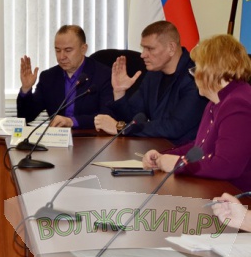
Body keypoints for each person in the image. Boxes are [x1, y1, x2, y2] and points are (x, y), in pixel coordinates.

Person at [141, 34, 251, 190]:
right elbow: (199, 146)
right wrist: (162, 156)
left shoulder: (238, 104)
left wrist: (178, 164)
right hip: (215, 189)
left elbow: (226, 166)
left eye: (196, 69)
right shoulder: (216, 101)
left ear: (211, 70)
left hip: (237, 196)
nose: (193, 75)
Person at [94, 21, 206, 145]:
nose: (142, 55)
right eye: (143, 48)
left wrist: (122, 128)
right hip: (153, 148)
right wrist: (119, 92)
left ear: (171, 48)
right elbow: (133, 116)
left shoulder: (194, 76)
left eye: (150, 49)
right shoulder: (154, 74)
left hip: (183, 152)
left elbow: (174, 127)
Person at [16, 25, 112, 129]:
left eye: (68, 50)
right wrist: (26, 89)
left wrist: (71, 121)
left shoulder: (103, 75)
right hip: (56, 137)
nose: (61, 57)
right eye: (58, 50)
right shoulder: (48, 77)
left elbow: (107, 117)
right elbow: (26, 116)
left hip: (90, 136)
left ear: (83, 49)